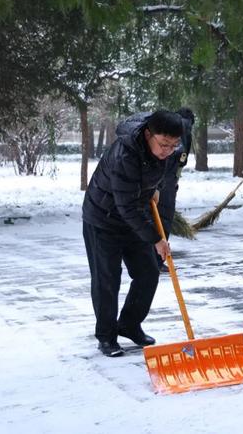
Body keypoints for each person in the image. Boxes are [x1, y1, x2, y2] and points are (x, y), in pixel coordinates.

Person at [82, 110, 184, 356]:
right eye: (163, 144)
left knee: (148, 272)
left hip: (133, 215)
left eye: (173, 146)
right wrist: (156, 240)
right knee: (108, 279)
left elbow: (157, 173)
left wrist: (154, 188)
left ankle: (128, 324)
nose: (167, 151)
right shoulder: (124, 155)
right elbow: (125, 206)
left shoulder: (166, 152)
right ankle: (106, 336)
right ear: (148, 134)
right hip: (103, 219)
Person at [156, 107, 195, 271]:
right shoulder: (184, 129)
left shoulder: (168, 129)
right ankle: (156, 261)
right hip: (165, 181)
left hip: (159, 179)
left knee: (152, 218)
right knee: (163, 219)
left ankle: (149, 259)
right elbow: (177, 158)